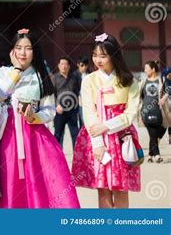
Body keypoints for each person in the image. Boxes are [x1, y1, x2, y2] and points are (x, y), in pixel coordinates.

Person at [0, 29, 80, 208]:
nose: (22, 52)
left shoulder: (40, 75)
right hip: (7, 134)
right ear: (12, 51)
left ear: (34, 51)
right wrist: (17, 71)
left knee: (42, 178)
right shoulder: (2, 73)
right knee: (8, 176)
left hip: (34, 134)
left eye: (28, 48)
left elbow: (50, 109)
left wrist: (34, 117)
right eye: (18, 47)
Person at [72, 33, 141, 208]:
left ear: (114, 55)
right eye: (95, 55)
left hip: (121, 137)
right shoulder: (89, 80)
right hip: (97, 138)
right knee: (102, 188)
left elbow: (130, 114)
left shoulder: (129, 81)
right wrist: (97, 143)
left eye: (103, 56)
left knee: (121, 188)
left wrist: (106, 126)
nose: (98, 60)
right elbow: (88, 111)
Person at [139, 61, 166, 163]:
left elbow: (166, 92)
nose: (145, 70)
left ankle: (150, 154)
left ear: (153, 69)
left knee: (154, 133)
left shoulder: (161, 80)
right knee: (152, 132)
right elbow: (140, 96)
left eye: (147, 68)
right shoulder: (143, 81)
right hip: (146, 111)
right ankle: (157, 155)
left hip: (158, 111)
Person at [51, 56, 81, 148]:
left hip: (72, 111)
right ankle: (58, 158)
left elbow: (77, 92)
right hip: (59, 111)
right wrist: (56, 106)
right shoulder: (54, 78)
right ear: (59, 66)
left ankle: (76, 157)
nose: (63, 66)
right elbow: (51, 95)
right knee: (58, 135)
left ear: (69, 66)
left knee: (75, 134)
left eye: (65, 64)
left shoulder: (74, 78)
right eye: (61, 64)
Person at [75, 55, 91, 128]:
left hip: (89, 101)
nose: (84, 67)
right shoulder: (74, 75)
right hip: (78, 101)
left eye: (85, 65)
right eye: (82, 65)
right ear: (78, 65)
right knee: (81, 122)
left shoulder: (91, 74)